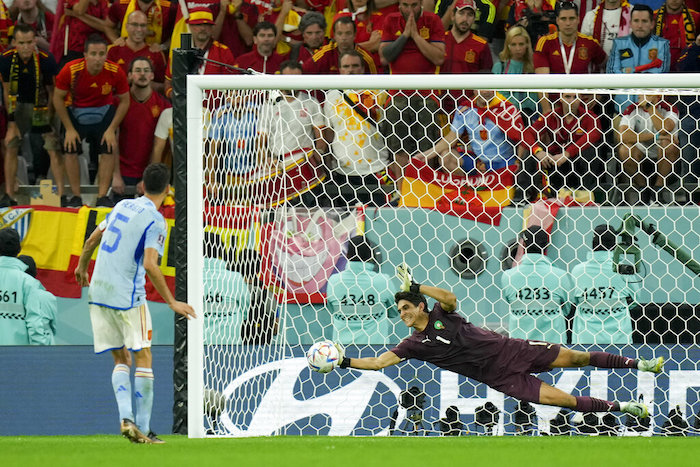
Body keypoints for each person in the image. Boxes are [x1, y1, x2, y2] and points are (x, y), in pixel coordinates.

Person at [329, 264, 662, 419]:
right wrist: (341, 361)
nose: (401, 314)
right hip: (500, 377)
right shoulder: (413, 344)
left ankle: (640, 364)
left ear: (419, 306)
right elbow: (376, 362)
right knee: (566, 402)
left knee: (576, 358)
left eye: (405, 307)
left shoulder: (442, 314)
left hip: (513, 349)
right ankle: (625, 407)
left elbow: (450, 295)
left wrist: (418, 286)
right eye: (398, 310)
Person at [74, 163, 196, 444]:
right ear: (168, 191)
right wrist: (172, 301)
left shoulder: (122, 206)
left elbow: (94, 237)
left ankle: (126, 418)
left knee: (120, 359)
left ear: (141, 184)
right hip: (128, 296)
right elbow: (152, 264)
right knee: (143, 357)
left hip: (99, 291)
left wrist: (82, 266)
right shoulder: (155, 220)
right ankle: (143, 427)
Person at [53, 34, 130, 208]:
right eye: (93, 54)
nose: (98, 58)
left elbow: (125, 100)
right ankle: (76, 196)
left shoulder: (115, 70)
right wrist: (69, 129)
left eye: (102, 54)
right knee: (70, 148)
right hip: (75, 111)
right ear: (85, 55)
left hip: (103, 112)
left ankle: (102, 196)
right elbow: (57, 99)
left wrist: (112, 129)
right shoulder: (70, 70)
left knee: (109, 147)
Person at [0, 24, 64, 207]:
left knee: (53, 146)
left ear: (35, 41)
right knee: (10, 145)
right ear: (14, 43)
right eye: (21, 43)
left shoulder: (46, 59)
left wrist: (49, 119)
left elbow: (53, 92)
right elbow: (6, 92)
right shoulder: (5, 60)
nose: (26, 47)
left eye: (29, 42)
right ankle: (9, 195)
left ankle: (61, 195)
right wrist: (11, 124)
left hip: (42, 104)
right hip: (17, 105)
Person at [416, 90, 546, 178]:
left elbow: (521, 137)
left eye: (490, 87)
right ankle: (468, 190)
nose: (486, 91)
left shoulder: (506, 108)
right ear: (474, 89)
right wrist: (426, 155)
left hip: (504, 163)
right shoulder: (465, 109)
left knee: (518, 167)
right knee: (446, 157)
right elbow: (451, 137)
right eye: (482, 87)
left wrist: (519, 160)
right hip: (477, 162)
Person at [379, 0, 444, 169]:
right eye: (405, 5)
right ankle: (402, 191)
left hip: (427, 94)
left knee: (426, 143)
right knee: (398, 142)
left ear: (421, 3)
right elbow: (384, 57)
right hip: (397, 93)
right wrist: (405, 36)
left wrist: (416, 36)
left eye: (414, 5)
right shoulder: (391, 20)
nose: (410, 10)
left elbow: (438, 58)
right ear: (399, 5)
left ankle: (426, 189)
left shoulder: (433, 20)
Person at [323, 50, 393, 207]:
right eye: (346, 66)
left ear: (363, 68)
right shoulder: (331, 96)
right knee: (346, 224)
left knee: (379, 220)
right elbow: (329, 133)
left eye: (355, 66)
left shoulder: (379, 93)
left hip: (377, 168)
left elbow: (390, 128)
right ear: (340, 70)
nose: (350, 70)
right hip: (343, 172)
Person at [255, 60, 327, 206]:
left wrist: (318, 151)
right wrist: (266, 158)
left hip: (305, 165)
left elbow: (321, 138)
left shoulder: (311, 103)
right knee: (280, 214)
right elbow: (261, 141)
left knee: (308, 212)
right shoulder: (269, 105)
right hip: (278, 168)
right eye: (288, 78)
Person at [501, 226, 573, 343]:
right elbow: (567, 310)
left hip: (520, 348)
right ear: (547, 246)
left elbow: (510, 302)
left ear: (523, 245)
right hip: (554, 348)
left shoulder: (508, 276)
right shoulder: (560, 276)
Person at [570, 224, 640, 345]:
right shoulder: (623, 270)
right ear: (615, 244)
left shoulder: (577, 271)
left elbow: (571, 301)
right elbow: (636, 300)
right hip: (619, 338)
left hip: (585, 340)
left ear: (593, 243)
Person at [113, 57, 171, 199]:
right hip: (122, 173)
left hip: (150, 173)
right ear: (130, 76)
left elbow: (162, 146)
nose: (143, 74)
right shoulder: (118, 103)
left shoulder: (164, 106)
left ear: (152, 76)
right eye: (138, 71)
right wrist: (115, 175)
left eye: (146, 71)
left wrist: (150, 175)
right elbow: (112, 140)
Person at [533, 1, 607, 113]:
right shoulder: (545, 43)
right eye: (563, 19)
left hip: (583, 108)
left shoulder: (590, 43)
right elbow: (542, 83)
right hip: (555, 106)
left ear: (578, 19)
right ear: (557, 20)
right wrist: (547, 112)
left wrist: (599, 93)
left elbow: (607, 67)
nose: (568, 23)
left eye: (571, 18)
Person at [326, 236, 398, 344]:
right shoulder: (383, 281)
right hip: (376, 351)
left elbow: (333, 310)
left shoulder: (333, 281)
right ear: (370, 256)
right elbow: (395, 312)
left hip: (341, 350)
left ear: (347, 255)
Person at [528, 92, 603, 192]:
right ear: (561, 99)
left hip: (578, 163)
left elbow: (595, 133)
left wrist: (568, 153)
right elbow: (528, 134)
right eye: (568, 97)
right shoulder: (551, 116)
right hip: (555, 161)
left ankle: (586, 193)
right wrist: (538, 151)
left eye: (575, 97)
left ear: (580, 99)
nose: (571, 101)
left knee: (591, 150)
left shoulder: (588, 116)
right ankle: (525, 194)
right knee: (530, 152)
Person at [617, 93, 680, 204]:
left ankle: (658, 190)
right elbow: (623, 136)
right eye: (639, 92)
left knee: (668, 145)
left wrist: (650, 108)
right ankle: (643, 190)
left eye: (645, 92)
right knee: (624, 150)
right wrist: (655, 136)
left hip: (663, 150)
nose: (639, 95)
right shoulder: (632, 109)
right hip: (642, 149)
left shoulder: (669, 108)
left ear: (657, 96)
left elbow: (665, 128)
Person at [607, 5, 671, 112]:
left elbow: (660, 76)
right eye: (636, 21)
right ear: (630, 23)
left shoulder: (662, 44)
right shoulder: (619, 43)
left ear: (652, 24)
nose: (640, 25)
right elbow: (612, 73)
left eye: (644, 21)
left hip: (652, 112)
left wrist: (628, 73)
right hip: (622, 110)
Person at [0, 228, 56, 345]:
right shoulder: (28, 283)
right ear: (19, 249)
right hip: (16, 356)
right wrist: (39, 356)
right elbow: (34, 323)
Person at [203, 232, 250, 344]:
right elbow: (246, 308)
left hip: (198, 343)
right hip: (231, 340)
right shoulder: (235, 278)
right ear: (220, 251)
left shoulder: (189, 278)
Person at [106, 10, 168, 92]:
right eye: (135, 25)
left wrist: (145, 83)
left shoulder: (156, 53)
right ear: (126, 26)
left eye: (143, 25)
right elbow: (104, 83)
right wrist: (127, 81)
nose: (139, 29)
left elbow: (164, 86)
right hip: (118, 101)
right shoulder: (112, 51)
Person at [491, 25, 538, 121]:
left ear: (527, 45)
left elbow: (534, 100)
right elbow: (495, 96)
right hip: (503, 117)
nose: (518, 48)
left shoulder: (534, 67)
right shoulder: (499, 67)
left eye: (521, 44)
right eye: (513, 44)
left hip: (529, 118)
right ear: (507, 46)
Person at [303, 14, 378, 74]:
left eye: (348, 33)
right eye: (340, 33)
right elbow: (304, 72)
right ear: (334, 35)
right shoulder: (323, 54)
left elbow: (378, 85)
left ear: (355, 35)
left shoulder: (367, 58)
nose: (344, 37)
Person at [236, 248, 279, 345]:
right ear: (258, 269)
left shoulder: (231, 292)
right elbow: (275, 329)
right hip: (262, 349)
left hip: (235, 347)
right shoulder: (269, 295)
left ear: (238, 266)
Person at [441, 0, 493, 74]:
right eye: (461, 13)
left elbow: (486, 77)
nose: (465, 19)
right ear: (453, 15)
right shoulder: (440, 40)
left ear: (474, 19)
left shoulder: (481, 45)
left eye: (470, 15)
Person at [104, 0, 177, 51]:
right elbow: (108, 26)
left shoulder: (169, 8)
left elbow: (177, 35)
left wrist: (163, 47)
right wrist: (116, 40)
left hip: (155, 55)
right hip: (125, 51)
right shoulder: (120, 5)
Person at [653, 0, 700, 70]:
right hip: (659, 71)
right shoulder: (653, 17)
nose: (674, 0)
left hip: (687, 70)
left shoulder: (696, 17)